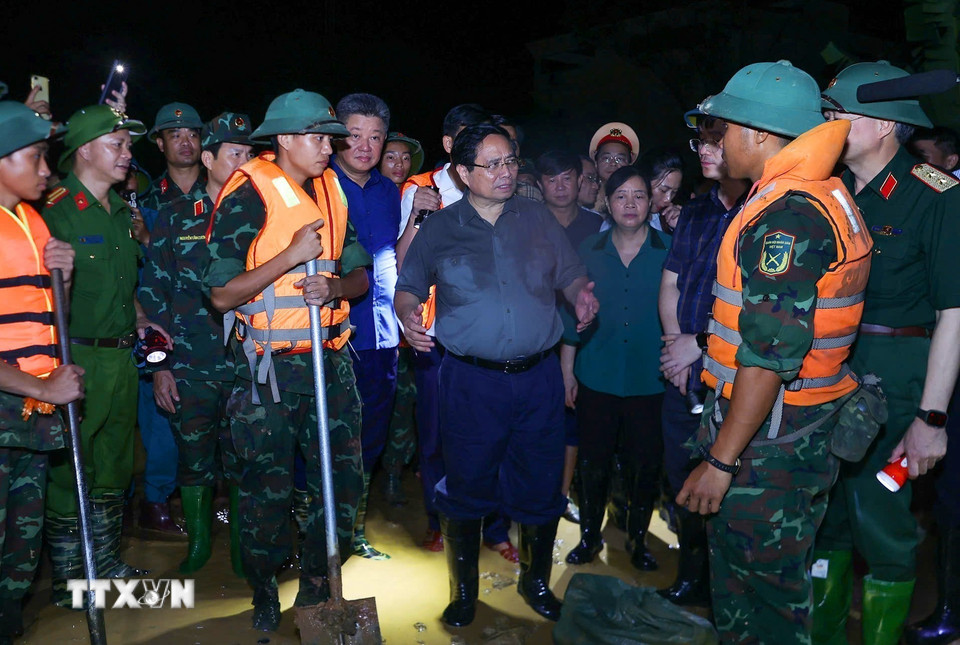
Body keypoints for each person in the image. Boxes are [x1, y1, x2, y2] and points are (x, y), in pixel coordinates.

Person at [675, 60, 873, 643]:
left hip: (769, 445)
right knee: (753, 593)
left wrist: (720, 462)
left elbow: (766, 355)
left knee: (761, 598)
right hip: (789, 431)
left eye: (724, 128)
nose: (716, 140)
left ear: (760, 135)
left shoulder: (788, 217)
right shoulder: (819, 192)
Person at [395, 123, 600, 626]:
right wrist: (408, 315)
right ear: (464, 173)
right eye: (492, 164)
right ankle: (464, 592)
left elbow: (571, 272)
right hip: (471, 382)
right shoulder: (440, 228)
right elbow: (408, 285)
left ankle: (534, 582)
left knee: (540, 482)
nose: (506, 172)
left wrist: (582, 295)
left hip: (538, 380)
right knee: (466, 483)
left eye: (510, 161)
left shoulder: (537, 219)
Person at [203, 89, 368, 632]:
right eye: (319, 138)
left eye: (329, 138)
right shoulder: (247, 194)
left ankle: (320, 586)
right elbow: (222, 295)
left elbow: (361, 275)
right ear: (285, 140)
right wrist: (290, 258)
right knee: (264, 490)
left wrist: (335, 283)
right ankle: (265, 588)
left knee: (340, 482)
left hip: (330, 363)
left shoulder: (332, 189)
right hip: (267, 370)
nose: (329, 147)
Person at [814, 61, 960, 645]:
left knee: (883, 522)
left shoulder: (936, 197)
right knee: (825, 525)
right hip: (826, 379)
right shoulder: (828, 192)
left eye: (836, 116)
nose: (825, 126)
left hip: (899, 388)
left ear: (880, 127)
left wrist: (931, 419)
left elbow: (954, 314)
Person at [42, 104, 166, 605]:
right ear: (84, 150)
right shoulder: (54, 212)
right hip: (76, 358)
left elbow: (120, 284)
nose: (126, 153)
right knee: (70, 466)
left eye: (126, 145)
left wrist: (139, 317)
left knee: (115, 464)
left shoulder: (120, 212)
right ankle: (70, 577)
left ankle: (107, 562)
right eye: (115, 144)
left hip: (120, 359)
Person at [397, 103, 519, 561]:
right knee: (435, 437)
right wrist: (417, 217)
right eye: (470, 140)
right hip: (435, 336)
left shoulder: (501, 188)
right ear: (450, 146)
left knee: (495, 432)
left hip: (489, 336)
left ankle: (496, 527)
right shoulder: (419, 188)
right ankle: (440, 521)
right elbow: (404, 261)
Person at [139, 112, 256, 575]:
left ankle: (246, 553)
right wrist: (159, 367)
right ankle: (200, 546)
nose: (244, 162)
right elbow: (151, 297)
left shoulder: (258, 215)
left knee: (247, 461)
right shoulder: (172, 217)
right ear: (209, 159)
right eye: (235, 154)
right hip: (189, 364)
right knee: (193, 461)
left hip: (248, 362)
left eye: (250, 154)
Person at [0, 101, 84, 641]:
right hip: (15, 398)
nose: (46, 170)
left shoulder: (31, 219)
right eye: (35, 157)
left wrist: (66, 278)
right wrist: (40, 386)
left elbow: (48, 320)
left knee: (20, 545)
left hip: (29, 411)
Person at [657, 109, 748, 606]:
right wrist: (677, 349)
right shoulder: (695, 211)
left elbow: (763, 313)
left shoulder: (763, 212)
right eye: (701, 143)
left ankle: (726, 588)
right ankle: (691, 573)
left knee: (727, 480)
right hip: (685, 371)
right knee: (683, 475)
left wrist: (701, 343)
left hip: (735, 376)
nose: (707, 150)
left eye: (717, 140)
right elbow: (670, 283)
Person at [562, 165, 669, 573]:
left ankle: (638, 539)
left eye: (639, 196)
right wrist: (568, 372)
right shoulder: (588, 249)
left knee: (645, 467)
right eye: (621, 196)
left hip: (651, 380)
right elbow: (571, 317)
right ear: (607, 201)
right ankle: (590, 537)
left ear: (651, 202)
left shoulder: (670, 250)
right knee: (593, 464)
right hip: (597, 376)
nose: (630, 204)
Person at [330, 93, 400, 560]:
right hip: (333, 337)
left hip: (383, 335)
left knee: (371, 436)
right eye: (354, 134)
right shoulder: (318, 185)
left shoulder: (389, 192)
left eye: (375, 136)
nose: (365, 145)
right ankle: (321, 534)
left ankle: (354, 528)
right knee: (327, 439)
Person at [136, 101, 206, 535]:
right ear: (159, 143)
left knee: (215, 417)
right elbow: (140, 273)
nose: (186, 141)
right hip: (162, 320)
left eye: (193, 134)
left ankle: (209, 497)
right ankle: (156, 501)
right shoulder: (145, 201)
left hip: (212, 323)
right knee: (161, 414)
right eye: (175, 135)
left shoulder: (222, 192)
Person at [537, 149, 602, 521]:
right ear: (540, 184)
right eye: (551, 179)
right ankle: (535, 494)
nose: (560, 187)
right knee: (536, 421)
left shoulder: (595, 227)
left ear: (580, 181)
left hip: (585, 338)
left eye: (567, 178)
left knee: (573, 424)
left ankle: (562, 496)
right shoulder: (527, 222)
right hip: (537, 340)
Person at [588, 122, 640, 215]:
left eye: (619, 159)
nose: (613, 164)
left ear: (629, 163)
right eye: (606, 158)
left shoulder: (638, 197)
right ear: (596, 162)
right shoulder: (584, 194)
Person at [636, 148, 683, 233]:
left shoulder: (665, 221)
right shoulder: (620, 222)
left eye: (674, 192)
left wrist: (681, 228)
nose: (668, 199)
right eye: (663, 190)